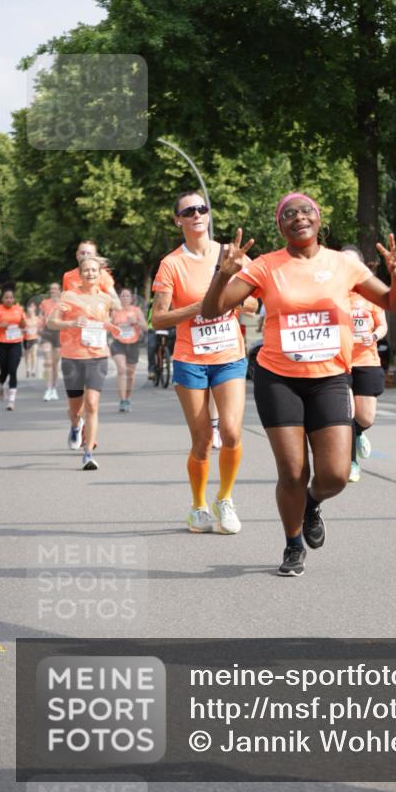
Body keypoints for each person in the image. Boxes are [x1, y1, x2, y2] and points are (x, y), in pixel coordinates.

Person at [202, 192, 396, 577]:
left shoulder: (343, 265)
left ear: (319, 219)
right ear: (280, 226)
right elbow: (212, 309)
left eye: (306, 211)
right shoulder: (266, 267)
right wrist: (224, 273)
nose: (298, 217)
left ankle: (312, 503)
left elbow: (394, 304)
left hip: (329, 378)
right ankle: (293, 542)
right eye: (288, 214)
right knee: (292, 471)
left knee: (335, 474)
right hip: (278, 379)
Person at [152, 191, 257, 535]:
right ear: (178, 220)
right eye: (189, 210)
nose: (197, 214)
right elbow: (159, 319)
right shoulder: (171, 264)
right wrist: (200, 307)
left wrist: (229, 300)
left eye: (202, 208)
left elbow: (256, 302)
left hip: (229, 355)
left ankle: (224, 499)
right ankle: (198, 506)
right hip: (190, 359)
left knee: (230, 432)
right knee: (201, 441)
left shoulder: (231, 253)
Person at [46, 256, 119, 471]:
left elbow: (105, 323)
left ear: (99, 274)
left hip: (97, 356)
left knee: (93, 404)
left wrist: (111, 328)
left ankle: (88, 453)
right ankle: (75, 426)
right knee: (75, 409)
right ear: (79, 274)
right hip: (72, 357)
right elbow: (52, 322)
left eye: (94, 270)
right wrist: (71, 322)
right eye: (86, 270)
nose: (90, 274)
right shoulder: (69, 295)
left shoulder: (105, 299)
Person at [341, 245, 388, 483]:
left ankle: (359, 432)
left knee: (365, 417)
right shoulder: (335, 293)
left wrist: (375, 336)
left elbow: (383, 325)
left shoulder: (371, 294)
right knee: (346, 412)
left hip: (367, 359)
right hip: (341, 362)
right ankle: (351, 463)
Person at [110, 288, 147, 412]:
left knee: (130, 375)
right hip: (118, 343)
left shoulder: (136, 311)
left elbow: (146, 327)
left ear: (131, 299)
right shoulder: (115, 311)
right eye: (123, 296)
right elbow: (107, 325)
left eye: (127, 296)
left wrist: (136, 322)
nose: (125, 298)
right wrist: (113, 327)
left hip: (133, 344)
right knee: (121, 369)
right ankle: (122, 400)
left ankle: (128, 397)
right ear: (119, 298)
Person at [63, 240, 121, 307]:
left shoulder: (102, 275)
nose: (85, 256)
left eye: (89, 253)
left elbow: (116, 302)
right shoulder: (67, 276)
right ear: (77, 255)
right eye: (82, 253)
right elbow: (64, 302)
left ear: (95, 256)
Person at [0, 284, 27, 410]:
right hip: (2, 343)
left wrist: (22, 323)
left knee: (13, 370)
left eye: (11, 298)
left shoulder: (18, 309)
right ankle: (2, 384)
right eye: (6, 298)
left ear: (14, 299)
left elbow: (23, 325)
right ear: (2, 299)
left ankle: (11, 401)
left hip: (15, 343)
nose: (9, 300)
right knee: (4, 370)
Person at [39, 282, 62, 401]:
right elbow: (41, 317)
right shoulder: (44, 303)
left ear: (59, 290)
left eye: (55, 289)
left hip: (59, 333)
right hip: (47, 332)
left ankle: (53, 388)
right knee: (48, 362)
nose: (53, 291)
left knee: (55, 364)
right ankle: (48, 389)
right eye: (51, 289)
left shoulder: (63, 304)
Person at [24, 301, 42, 378]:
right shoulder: (25, 318)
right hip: (26, 338)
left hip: (35, 338)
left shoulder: (37, 319)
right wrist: (24, 329)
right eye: (28, 307)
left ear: (34, 308)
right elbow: (21, 327)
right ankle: (28, 369)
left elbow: (41, 328)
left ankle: (33, 370)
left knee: (34, 353)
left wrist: (39, 331)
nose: (29, 309)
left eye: (31, 307)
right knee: (27, 355)